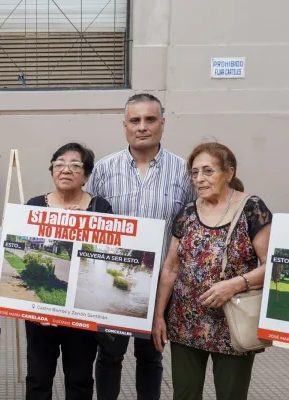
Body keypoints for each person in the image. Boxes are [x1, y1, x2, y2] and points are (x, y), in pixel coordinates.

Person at [86, 93, 194, 400]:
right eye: (135, 120)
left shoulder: (183, 172)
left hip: (159, 285)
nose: (142, 127)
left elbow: (189, 228)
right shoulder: (104, 170)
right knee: (109, 357)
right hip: (113, 284)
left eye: (150, 119)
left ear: (162, 123)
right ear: (124, 126)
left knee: (151, 356)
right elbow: (90, 220)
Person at [152, 142, 272, 400]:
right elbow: (171, 268)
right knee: (184, 393)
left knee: (231, 394)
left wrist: (235, 284)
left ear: (229, 173)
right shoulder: (186, 213)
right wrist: (159, 316)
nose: (199, 179)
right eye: (194, 173)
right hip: (185, 323)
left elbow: (273, 264)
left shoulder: (251, 209)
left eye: (208, 171)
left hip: (234, 323)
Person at [25, 142, 113, 400]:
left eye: (76, 165)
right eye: (59, 164)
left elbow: (106, 259)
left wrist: (83, 228)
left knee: (79, 379)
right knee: (38, 378)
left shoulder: (100, 208)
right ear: (52, 170)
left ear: (86, 176)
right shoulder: (34, 206)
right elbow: (23, 258)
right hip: (40, 309)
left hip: (82, 309)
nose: (66, 170)